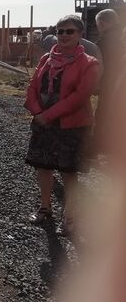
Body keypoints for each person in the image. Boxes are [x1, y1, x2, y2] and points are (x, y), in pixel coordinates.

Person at [24, 14, 100, 236]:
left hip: (71, 126)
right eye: (60, 31)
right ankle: (45, 208)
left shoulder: (89, 63)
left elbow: (80, 96)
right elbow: (32, 87)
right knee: (43, 167)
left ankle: (70, 217)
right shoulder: (46, 59)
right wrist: (38, 112)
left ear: (80, 35)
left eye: (70, 31)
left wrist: (48, 115)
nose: (64, 35)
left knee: (68, 171)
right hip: (43, 124)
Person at [94, 9, 125, 153]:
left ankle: (101, 147)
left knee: (104, 115)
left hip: (110, 85)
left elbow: (98, 64)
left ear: (101, 23)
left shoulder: (104, 41)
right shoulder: (122, 36)